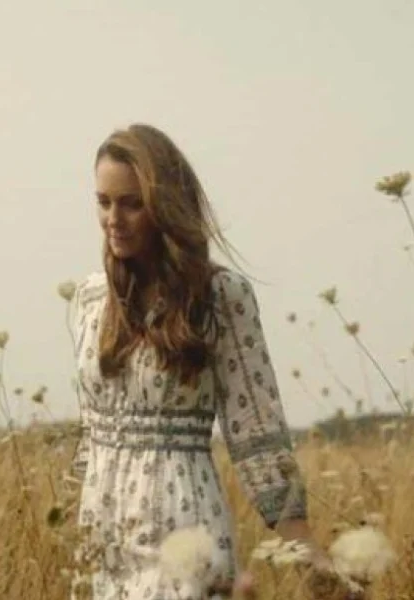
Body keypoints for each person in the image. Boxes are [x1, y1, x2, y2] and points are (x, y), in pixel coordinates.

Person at [67, 123, 331, 599]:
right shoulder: (88, 299)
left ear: (165, 206)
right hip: (103, 541)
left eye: (132, 203)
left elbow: (255, 432)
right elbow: (90, 435)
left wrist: (306, 554)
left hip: (184, 532)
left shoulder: (221, 297)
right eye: (103, 202)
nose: (113, 219)